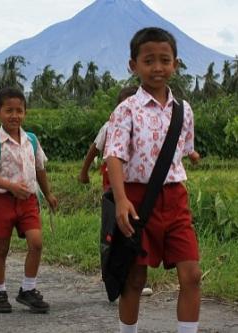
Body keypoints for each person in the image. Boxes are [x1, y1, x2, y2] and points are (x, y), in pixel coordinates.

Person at [104, 27, 201, 333]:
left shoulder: (184, 111)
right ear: (133, 65)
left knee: (192, 275)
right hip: (136, 200)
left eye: (164, 59)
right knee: (135, 279)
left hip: (175, 200)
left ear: (175, 64)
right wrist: (120, 199)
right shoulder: (126, 110)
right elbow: (114, 156)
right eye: (149, 60)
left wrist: (193, 155)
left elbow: (184, 149)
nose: (157, 67)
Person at [0, 87, 58, 314]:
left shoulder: (31, 140)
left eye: (19, 110)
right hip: (3, 201)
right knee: (2, 248)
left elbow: (40, 169)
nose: (14, 115)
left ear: (25, 112)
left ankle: (28, 289)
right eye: (8, 111)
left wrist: (49, 194)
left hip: (28, 202)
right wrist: (11, 187)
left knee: (36, 243)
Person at [79, 86, 138, 190]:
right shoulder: (109, 127)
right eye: (125, 107)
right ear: (118, 108)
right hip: (113, 177)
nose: (129, 111)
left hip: (138, 178)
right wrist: (84, 171)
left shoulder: (147, 129)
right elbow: (95, 148)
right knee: (113, 203)